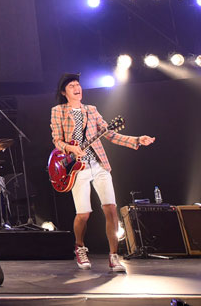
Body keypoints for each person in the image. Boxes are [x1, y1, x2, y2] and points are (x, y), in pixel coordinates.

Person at [50, 73, 154, 273]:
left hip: (99, 164)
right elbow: (57, 140)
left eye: (78, 84)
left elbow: (110, 134)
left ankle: (114, 256)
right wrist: (71, 148)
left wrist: (136, 140)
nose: (76, 88)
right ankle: (80, 247)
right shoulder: (58, 111)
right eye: (71, 86)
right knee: (83, 214)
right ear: (64, 92)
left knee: (111, 209)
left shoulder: (91, 110)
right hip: (77, 168)